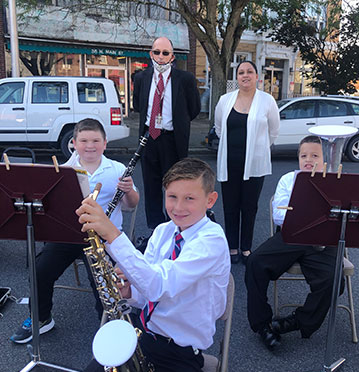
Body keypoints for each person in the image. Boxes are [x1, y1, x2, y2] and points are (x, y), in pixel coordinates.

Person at [74, 158, 230, 372]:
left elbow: (160, 284)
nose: (178, 207)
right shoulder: (162, 232)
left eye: (189, 198)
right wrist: (130, 291)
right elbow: (149, 294)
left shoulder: (212, 240)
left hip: (179, 353)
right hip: (140, 339)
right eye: (172, 197)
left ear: (210, 200)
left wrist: (112, 234)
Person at [10, 118, 139, 344]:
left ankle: (110, 327)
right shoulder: (62, 170)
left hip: (104, 236)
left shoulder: (117, 169)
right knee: (40, 270)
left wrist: (128, 191)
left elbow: (131, 206)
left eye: (96, 140)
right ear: (74, 143)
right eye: (84, 140)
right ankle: (41, 318)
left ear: (105, 143)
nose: (90, 146)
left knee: (103, 279)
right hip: (69, 234)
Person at [245, 135, 344, 350]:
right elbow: (279, 216)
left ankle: (298, 321)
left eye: (315, 155)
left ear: (325, 159)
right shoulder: (289, 179)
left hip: (324, 238)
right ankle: (262, 325)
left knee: (333, 279)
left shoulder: (334, 180)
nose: (308, 160)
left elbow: (343, 217)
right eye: (304, 155)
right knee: (254, 263)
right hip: (292, 235)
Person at [133, 37, 201, 237]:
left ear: (172, 56)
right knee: (151, 185)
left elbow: (194, 109)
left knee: (175, 186)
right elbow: (138, 105)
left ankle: (176, 227)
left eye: (165, 53)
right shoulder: (141, 78)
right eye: (157, 52)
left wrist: (179, 122)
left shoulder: (185, 79)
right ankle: (155, 229)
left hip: (173, 139)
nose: (160, 57)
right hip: (149, 137)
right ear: (150, 54)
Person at [214, 60, 280, 265]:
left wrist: (257, 150)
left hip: (255, 165)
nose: (245, 75)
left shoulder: (267, 101)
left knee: (249, 207)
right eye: (241, 72)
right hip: (229, 163)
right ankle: (232, 246)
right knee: (230, 206)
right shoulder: (225, 100)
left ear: (257, 76)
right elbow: (218, 128)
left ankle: (246, 248)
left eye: (249, 72)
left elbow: (273, 131)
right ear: (237, 77)